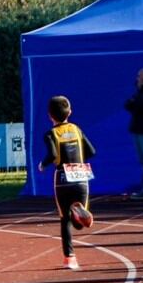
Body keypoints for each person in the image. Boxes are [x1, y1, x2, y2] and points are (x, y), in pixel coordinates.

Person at [39, 96, 97, 270]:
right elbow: (92, 151)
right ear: (70, 112)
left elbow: (52, 155)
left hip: (63, 177)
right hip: (81, 175)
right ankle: (79, 210)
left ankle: (69, 258)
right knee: (79, 223)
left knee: (65, 220)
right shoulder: (77, 129)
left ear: (50, 115)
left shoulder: (50, 134)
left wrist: (42, 165)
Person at [126, 69, 143, 198]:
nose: (137, 78)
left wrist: (136, 104)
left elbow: (141, 105)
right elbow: (129, 104)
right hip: (139, 130)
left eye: (139, 75)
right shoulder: (140, 91)